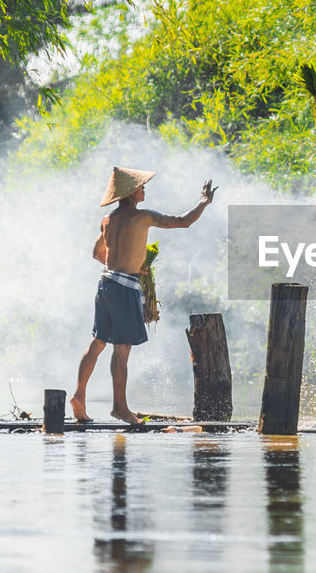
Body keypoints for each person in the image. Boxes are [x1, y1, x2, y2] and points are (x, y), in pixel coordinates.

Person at [71, 166, 217, 425]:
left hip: (105, 283)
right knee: (122, 347)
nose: (144, 189)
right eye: (141, 186)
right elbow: (183, 221)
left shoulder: (108, 220)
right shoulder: (143, 217)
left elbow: (97, 253)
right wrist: (203, 202)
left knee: (97, 342)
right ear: (131, 193)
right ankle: (120, 407)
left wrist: (128, 261)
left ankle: (79, 397)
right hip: (124, 287)